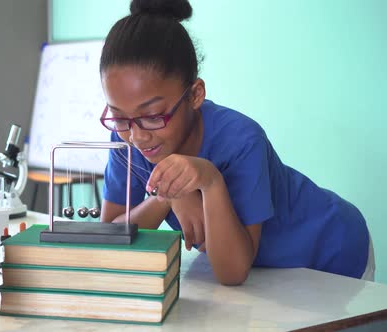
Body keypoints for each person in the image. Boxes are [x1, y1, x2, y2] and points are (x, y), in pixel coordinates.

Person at [99, 0, 374, 285]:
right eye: (119, 118)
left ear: (195, 95)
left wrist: (209, 181)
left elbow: (232, 272)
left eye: (154, 115)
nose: (137, 135)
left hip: (329, 249)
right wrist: (168, 195)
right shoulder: (127, 141)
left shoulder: (241, 140)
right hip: (263, 273)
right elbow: (109, 236)